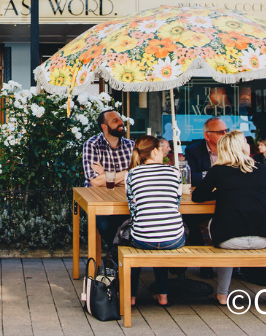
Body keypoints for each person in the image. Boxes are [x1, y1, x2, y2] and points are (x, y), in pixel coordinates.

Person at [191, 131, 266, 305]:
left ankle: (222, 294)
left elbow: (197, 197)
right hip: (263, 238)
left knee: (219, 224)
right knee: (229, 224)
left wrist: (221, 193)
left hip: (229, 240)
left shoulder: (218, 170)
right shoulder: (262, 169)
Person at [125, 135, 185, 306]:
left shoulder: (132, 174)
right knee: (162, 236)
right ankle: (163, 296)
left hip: (143, 239)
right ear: (155, 151)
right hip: (174, 238)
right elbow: (176, 204)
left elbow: (133, 210)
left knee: (136, 240)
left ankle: (131, 297)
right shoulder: (174, 172)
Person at [82, 109, 134, 248]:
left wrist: (106, 175)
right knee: (105, 226)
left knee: (138, 224)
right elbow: (95, 182)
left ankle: (121, 259)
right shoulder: (92, 145)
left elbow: (136, 176)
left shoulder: (130, 146)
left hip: (125, 202)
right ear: (104, 127)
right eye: (115, 121)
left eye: (120, 119)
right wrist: (127, 173)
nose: (121, 123)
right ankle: (120, 256)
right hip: (100, 203)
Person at [183, 116, 228, 257]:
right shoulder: (194, 150)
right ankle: (201, 259)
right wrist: (214, 176)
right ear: (207, 136)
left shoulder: (231, 149)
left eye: (226, 131)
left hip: (228, 202)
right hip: (205, 200)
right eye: (221, 132)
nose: (225, 135)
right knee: (188, 217)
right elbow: (190, 177)